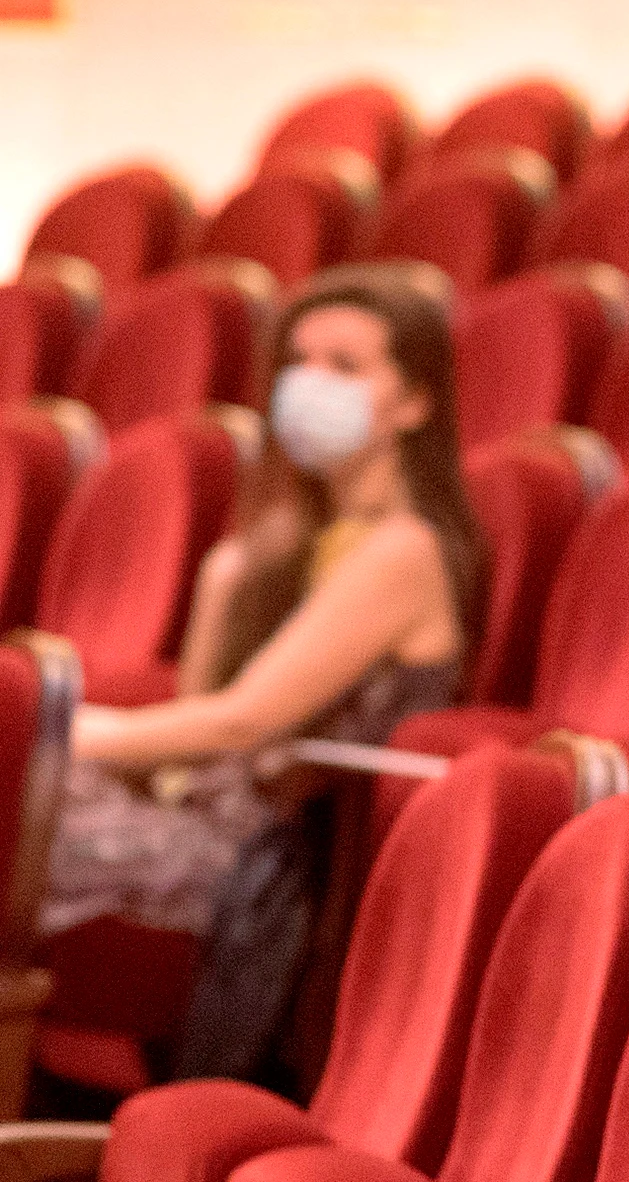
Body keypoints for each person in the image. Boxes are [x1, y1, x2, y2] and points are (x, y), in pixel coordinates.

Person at [47, 263, 481, 1084]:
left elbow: (241, 723)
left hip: (273, 864)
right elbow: (196, 717)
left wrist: (56, 736)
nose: (310, 384)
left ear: (415, 404)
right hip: (204, 814)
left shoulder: (406, 551)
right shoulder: (286, 542)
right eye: (299, 361)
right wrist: (230, 575)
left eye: (345, 368)